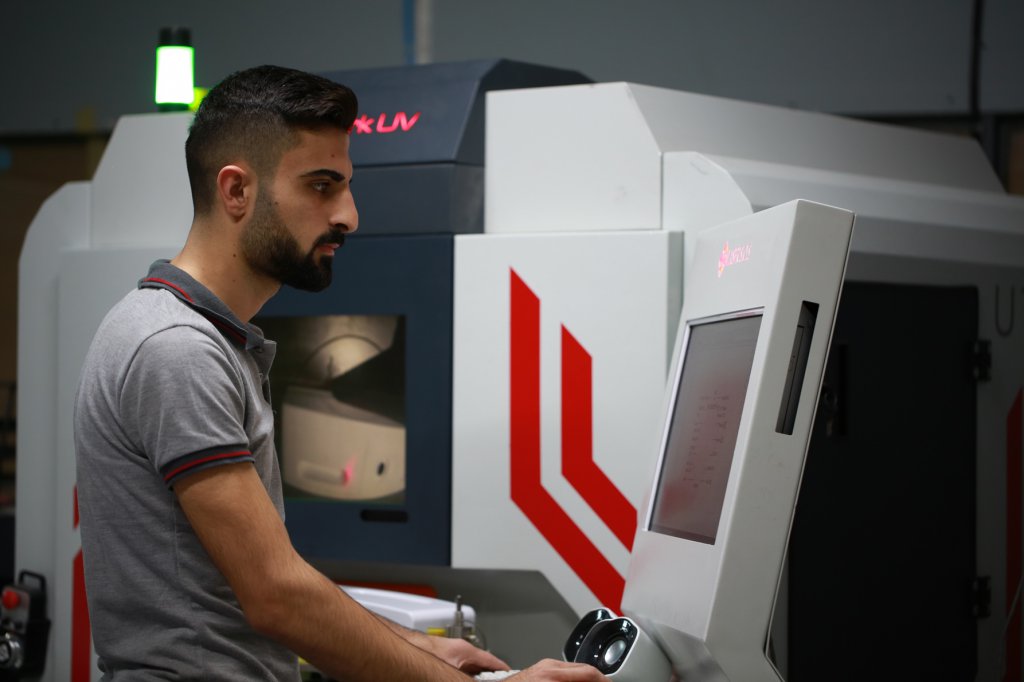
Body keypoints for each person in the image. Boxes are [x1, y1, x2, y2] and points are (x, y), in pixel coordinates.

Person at [73, 65, 609, 681]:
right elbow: (275, 595)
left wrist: (421, 647)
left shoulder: (204, 339)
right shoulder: (177, 349)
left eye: (346, 187)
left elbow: (263, 581)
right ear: (236, 191)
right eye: (322, 186)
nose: (349, 215)